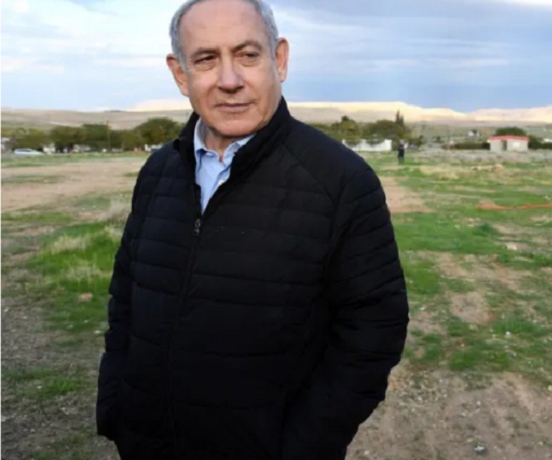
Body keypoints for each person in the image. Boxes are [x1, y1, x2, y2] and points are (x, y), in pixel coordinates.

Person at [95, 1, 409, 459]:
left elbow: (374, 332)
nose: (229, 80)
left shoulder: (341, 181)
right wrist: (116, 403)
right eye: (206, 59)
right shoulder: (159, 171)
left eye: (247, 55)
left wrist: (302, 447)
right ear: (180, 74)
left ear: (279, 60)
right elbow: (126, 298)